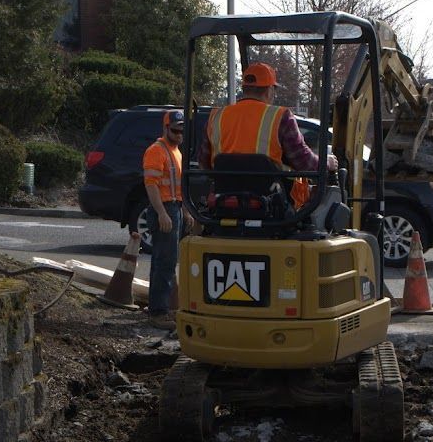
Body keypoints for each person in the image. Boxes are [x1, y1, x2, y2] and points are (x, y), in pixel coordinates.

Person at [199, 62, 338, 203]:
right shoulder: (281, 116)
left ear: (244, 89)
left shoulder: (216, 116)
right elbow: (304, 162)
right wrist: (327, 163)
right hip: (271, 205)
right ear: (269, 90)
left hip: (224, 202)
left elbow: (205, 165)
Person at [142, 109, 192, 330]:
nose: (180, 133)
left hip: (174, 207)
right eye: (175, 130)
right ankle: (159, 311)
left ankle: (159, 307)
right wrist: (162, 212)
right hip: (165, 209)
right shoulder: (156, 151)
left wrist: (185, 211)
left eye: (182, 130)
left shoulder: (176, 152)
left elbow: (178, 187)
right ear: (165, 128)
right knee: (166, 261)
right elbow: (150, 185)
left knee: (163, 260)